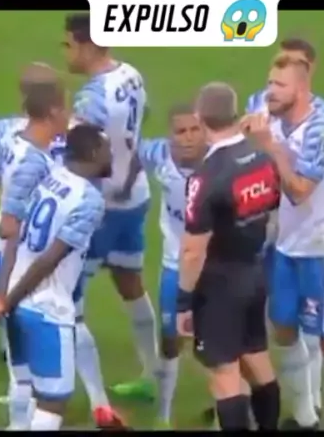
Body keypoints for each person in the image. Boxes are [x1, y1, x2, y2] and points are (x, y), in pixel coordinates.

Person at [0, 66, 122, 429]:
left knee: (21, 363)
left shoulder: (4, 131)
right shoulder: (75, 138)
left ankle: (34, 417)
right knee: (68, 322)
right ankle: (97, 402)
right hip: (53, 250)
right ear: (56, 105)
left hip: (12, 251)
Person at [0, 124, 113, 431]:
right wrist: (7, 300)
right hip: (48, 308)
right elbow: (49, 260)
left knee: (24, 383)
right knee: (52, 403)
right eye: (106, 150)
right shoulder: (89, 200)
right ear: (92, 153)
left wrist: (3, 295)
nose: (110, 155)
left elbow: (12, 235)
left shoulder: (46, 178)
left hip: (17, 299)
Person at [244, 56, 324, 431]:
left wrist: (270, 147)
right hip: (286, 246)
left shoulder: (323, 129)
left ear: (302, 89)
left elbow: (299, 191)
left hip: (323, 249)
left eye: (279, 86)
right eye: (269, 83)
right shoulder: (270, 113)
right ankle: (306, 418)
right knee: (284, 328)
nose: (270, 92)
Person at [64, 12, 158, 401]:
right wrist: (128, 164)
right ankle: (153, 375)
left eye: (69, 44)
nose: (66, 52)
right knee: (129, 280)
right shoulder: (131, 74)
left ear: (87, 45)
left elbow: (89, 155)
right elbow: (141, 120)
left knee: (66, 297)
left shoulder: (91, 98)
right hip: (134, 196)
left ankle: (55, 388)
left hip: (102, 206)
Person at [177, 83, 281, 431]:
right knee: (257, 359)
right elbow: (272, 210)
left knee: (225, 374)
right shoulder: (262, 158)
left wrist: (183, 301)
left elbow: (193, 249)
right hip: (253, 272)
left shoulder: (207, 177)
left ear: (200, 117)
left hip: (219, 284)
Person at [135, 104, 207, 427]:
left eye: (195, 129)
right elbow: (126, 148)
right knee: (170, 338)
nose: (188, 137)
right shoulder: (158, 154)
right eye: (181, 131)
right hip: (175, 265)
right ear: (170, 135)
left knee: (223, 342)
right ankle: (163, 415)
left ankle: (231, 407)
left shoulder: (218, 161)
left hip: (214, 265)